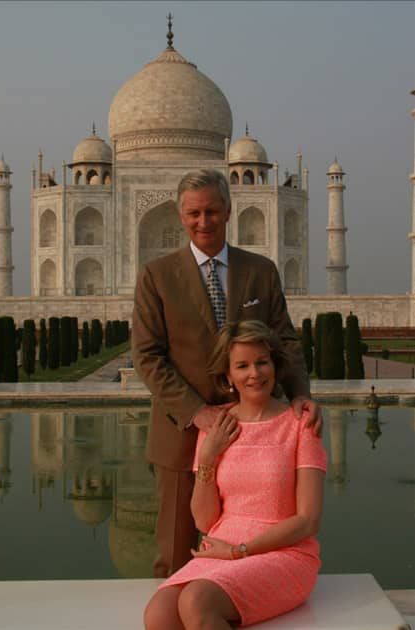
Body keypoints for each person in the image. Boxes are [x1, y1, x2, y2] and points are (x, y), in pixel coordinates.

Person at [132, 168, 321, 578]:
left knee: (256, 547)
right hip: (183, 435)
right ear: (180, 215)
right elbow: (147, 356)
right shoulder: (157, 276)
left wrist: (300, 393)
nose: (204, 222)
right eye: (194, 213)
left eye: (212, 212)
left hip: (255, 434)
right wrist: (197, 412)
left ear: (229, 210)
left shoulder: (260, 270)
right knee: (176, 554)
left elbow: (285, 341)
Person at [144, 320, 327, 629]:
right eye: (242, 366)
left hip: (283, 552)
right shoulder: (217, 426)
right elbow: (204, 522)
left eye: (262, 362)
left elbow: (308, 520)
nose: (254, 373)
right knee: (158, 617)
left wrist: (239, 551)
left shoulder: (299, 423)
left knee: (196, 601)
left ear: (275, 366)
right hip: (222, 548)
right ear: (228, 376)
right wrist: (207, 457)